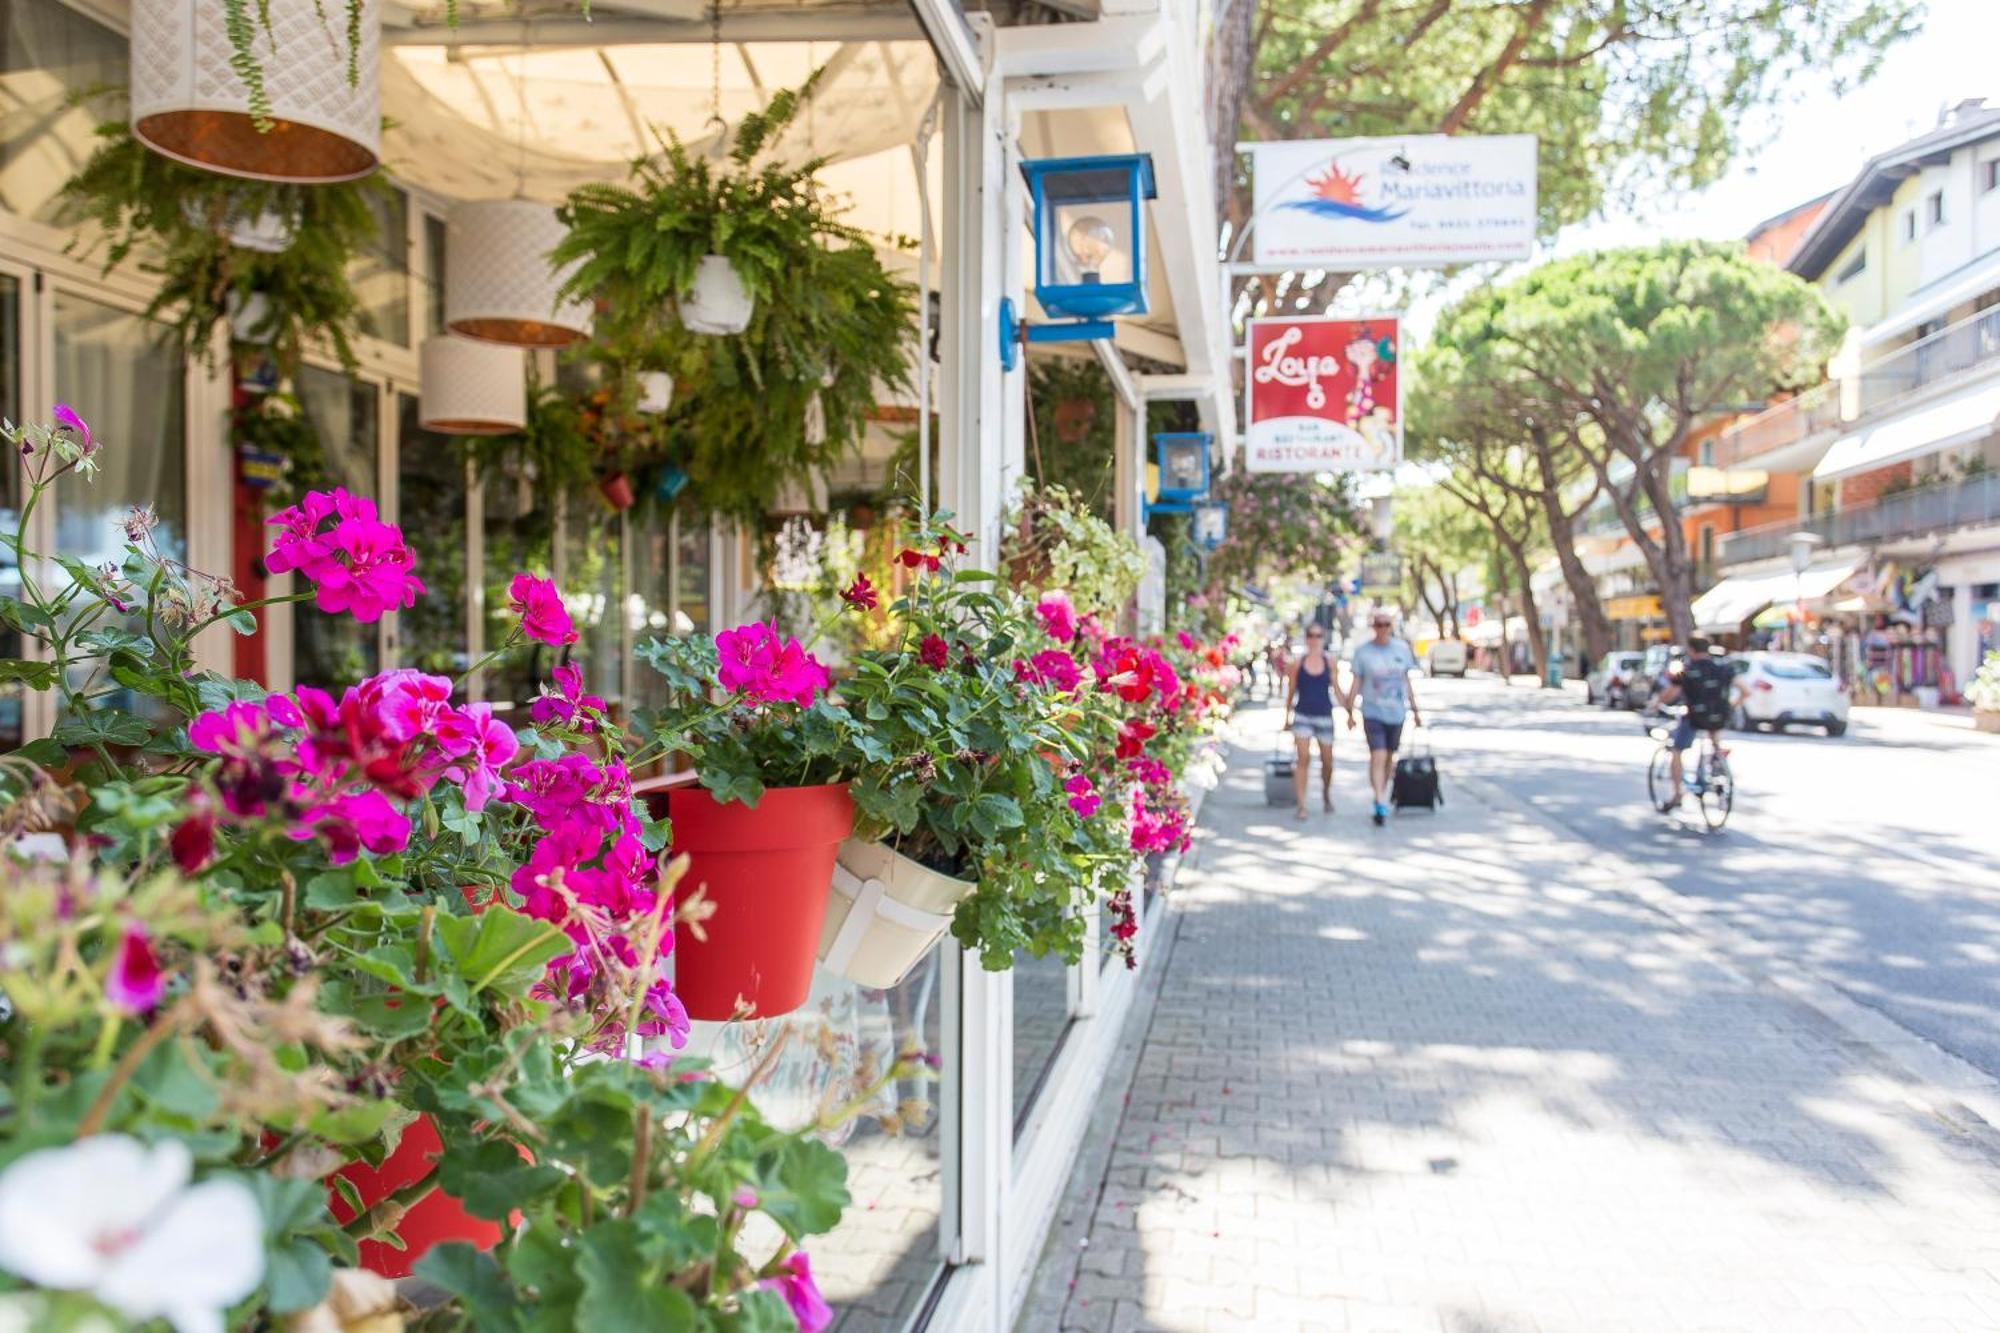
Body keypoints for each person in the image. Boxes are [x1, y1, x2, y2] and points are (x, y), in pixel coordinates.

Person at [1342, 609, 1422, 827]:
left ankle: (1381, 792)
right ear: (1373, 626)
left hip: (1397, 713)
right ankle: (1379, 800)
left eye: (1387, 624)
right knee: (1378, 755)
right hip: (1372, 712)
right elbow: (1355, 684)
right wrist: (1349, 712)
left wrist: (1416, 711)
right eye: (1379, 624)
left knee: (1389, 759)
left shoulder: (1402, 649)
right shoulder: (1363, 652)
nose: (1383, 628)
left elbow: (1406, 682)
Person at [1650, 636, 1745, 811]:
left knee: (1676, 750)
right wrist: (1731, 706)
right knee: (1714, 739)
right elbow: (1745, 691)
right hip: (1718, 716)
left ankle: (1677, 793)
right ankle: (1717, 761)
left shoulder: (1686, 668)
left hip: (1694, 717)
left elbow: (1671, 691)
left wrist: (1655, 704)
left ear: (1691, 650)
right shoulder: (1723, 667)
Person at [1283, 624, 1339, 820]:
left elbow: (1337, 689)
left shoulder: (1330, 662)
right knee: (1303, 758)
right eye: (1311, 635)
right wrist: (1286, 718)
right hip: (1303, 715)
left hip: (1324, 715)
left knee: (1327, 761)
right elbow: (1290, 692)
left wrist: (1350, 712)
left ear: (1323, 638)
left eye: (1318, 635)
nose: (1314, 639)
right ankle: (1302, 805)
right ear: (1306, 638)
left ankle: (1326, 794)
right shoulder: (1298, 663)